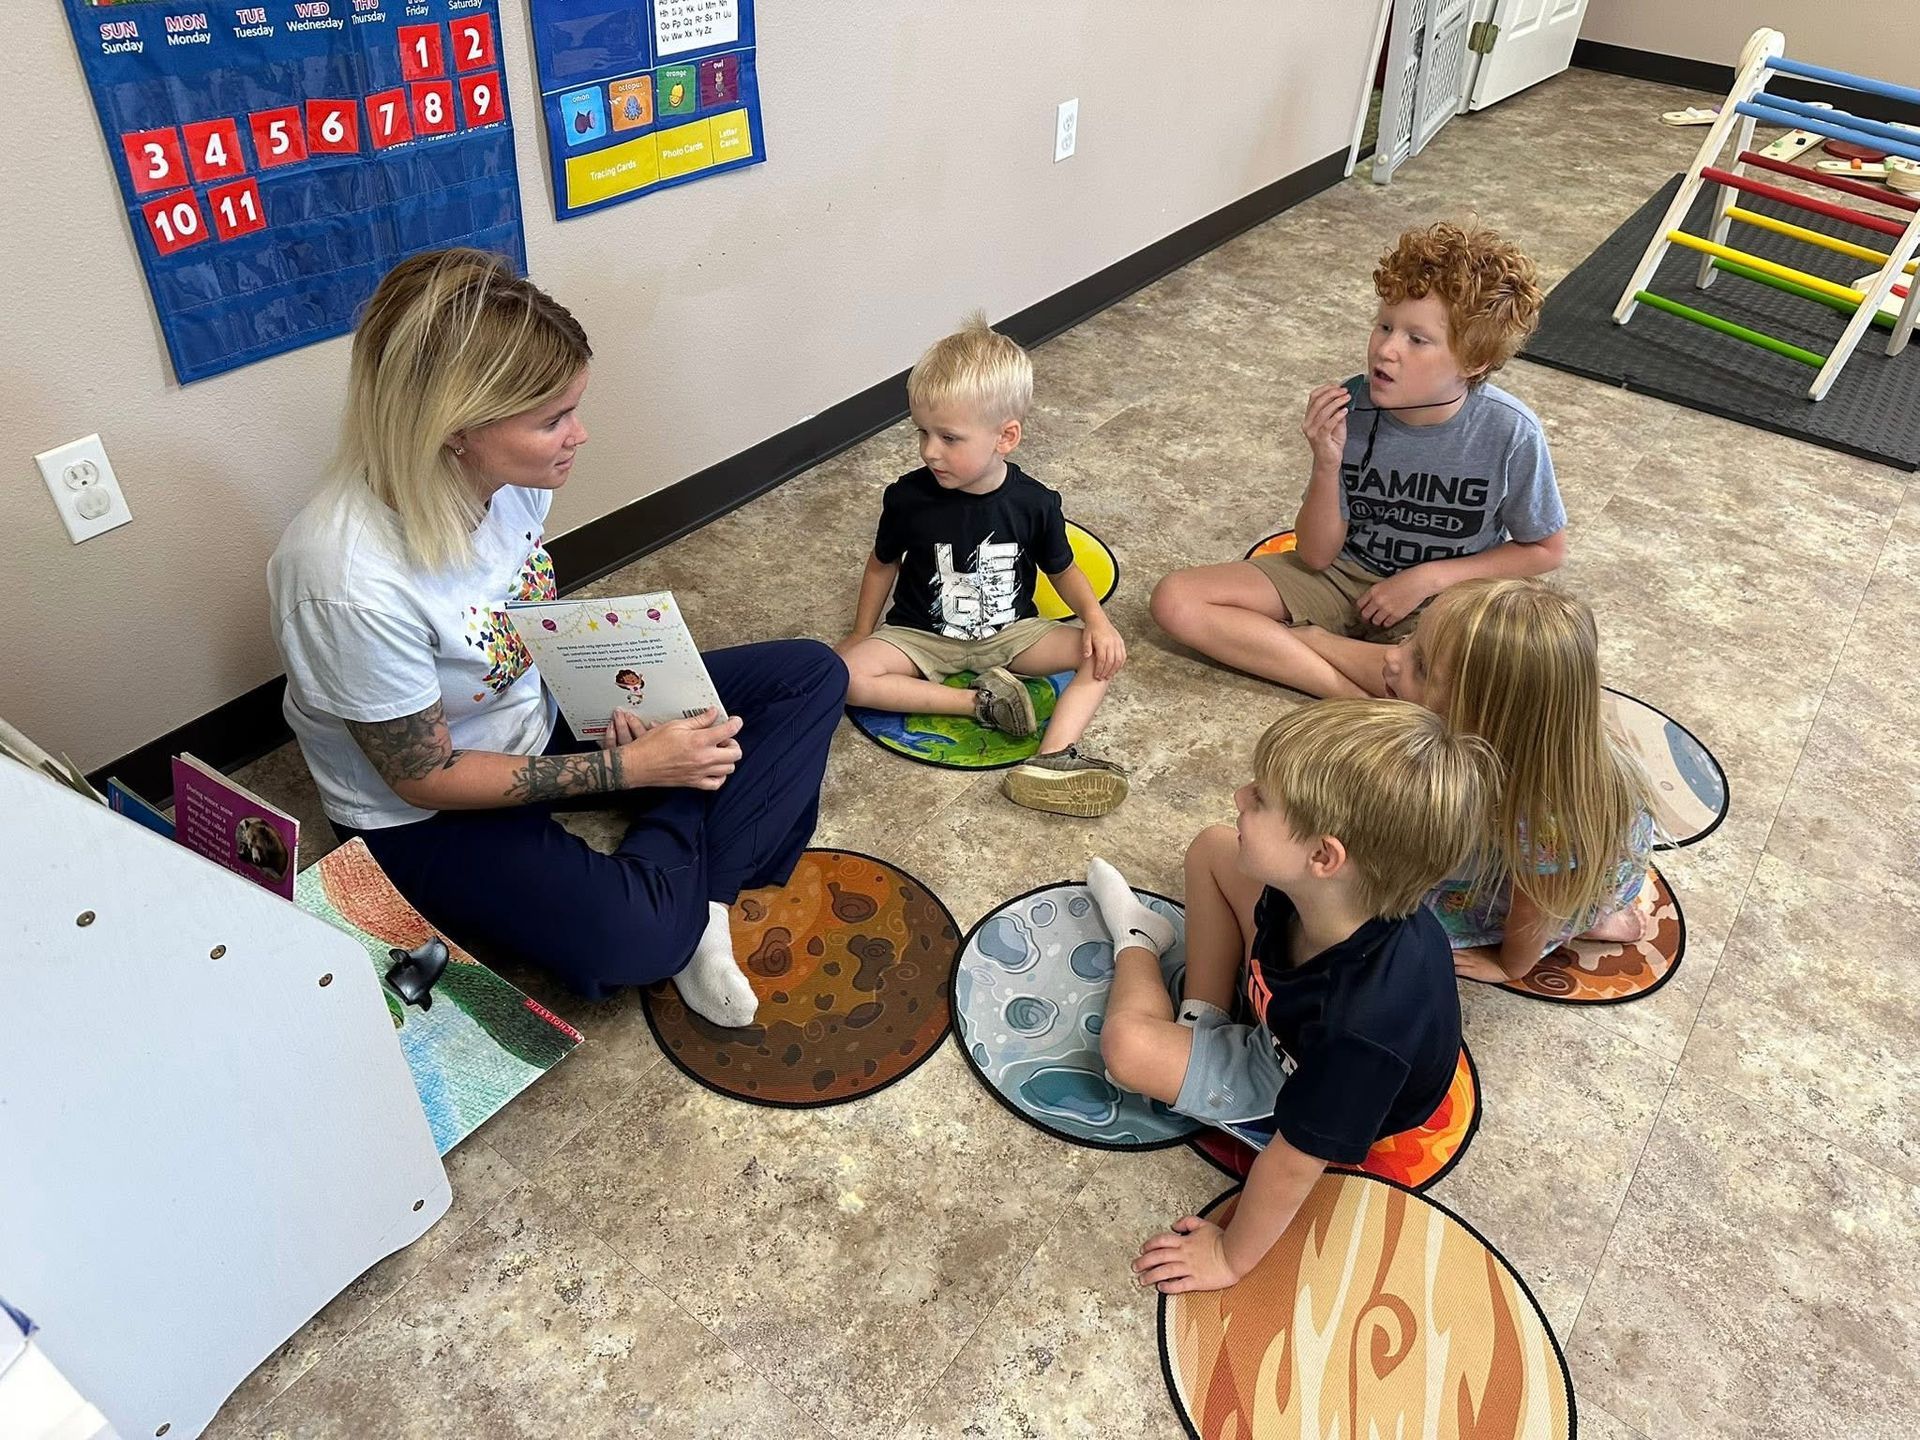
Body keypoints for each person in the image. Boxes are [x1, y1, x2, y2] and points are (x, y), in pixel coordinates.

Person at [267, 249, 847, 1022]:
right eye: (552, 420)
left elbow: (519, 622)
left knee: (809, 675)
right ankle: (685, 850)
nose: (580, 434)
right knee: (632, 940)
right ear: (455, 432)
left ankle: (702, 908)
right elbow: (422, 776)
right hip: (422, 816)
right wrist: (634, 769)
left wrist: (617, 696)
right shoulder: (343, 582)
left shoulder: (508, 486)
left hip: (530, 712)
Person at [1086, 700, 1495, 1294]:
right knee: (1211, 846)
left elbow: (1293, 1164)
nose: (1239, 796)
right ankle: (1203, 1016)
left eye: (1261, 800)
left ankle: (1138, 941)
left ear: (1323, 857)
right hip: (1296, 1010)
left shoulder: (1363, 1027)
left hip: (1300, 1075)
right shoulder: (1330, 897)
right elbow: (1235, 861)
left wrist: (1229, 1257)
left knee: (1127, 1049)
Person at [1150, 221, 1566, 698]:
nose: (1385, 350)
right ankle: (1347, 693)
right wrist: (1326, 462)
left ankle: (1311, 647)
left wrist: (1424, 578)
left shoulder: (1510, 431)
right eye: (1385, 326)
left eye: (1417, 339)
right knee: (1176, 599)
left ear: (1474, 362)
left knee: (1475, 690)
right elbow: (1315, 554)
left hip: (1440, 604)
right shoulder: (1354, 403)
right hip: (1346, 575)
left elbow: (1546, 550)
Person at [835, 315, 1130, 818]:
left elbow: (1063, 569)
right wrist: (862, 633)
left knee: (1101, 656)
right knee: (844, 675)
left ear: (1005, 436)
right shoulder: (907, 498)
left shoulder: (1035, 503)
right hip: (920, 635)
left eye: (949, 438)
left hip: (1012, 634)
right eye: (922, 433)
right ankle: (983, 704)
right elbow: (882, 564)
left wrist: (1098, 623)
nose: (930, 451)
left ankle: (1051, 758)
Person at [1379, 578, 1658, 983]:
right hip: (1549, 860)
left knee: (1396, 915)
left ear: (1485, 719)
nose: (1392, 657)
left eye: (1420, 667)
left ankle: (1599, 919)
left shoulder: (1542, 813)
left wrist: (1510, 965)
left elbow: (1536, 905)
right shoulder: (1525, 737)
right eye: (1409, 638)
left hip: (1558, 886)